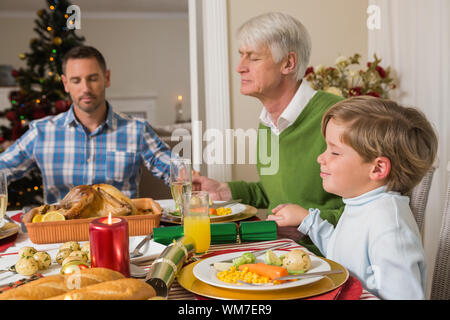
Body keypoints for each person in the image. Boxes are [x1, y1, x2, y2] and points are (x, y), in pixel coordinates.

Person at [192, 12, 344, 256]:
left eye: (253, 58)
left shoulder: (337, 117)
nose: (239, 67)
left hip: (324, 257)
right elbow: (274, 192)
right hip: (277, 250)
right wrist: (223, 190)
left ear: (288, 63)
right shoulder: (267, 121)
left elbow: (366, 209)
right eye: (241, 56)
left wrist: (307, 222)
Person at [267, 96, 438, 299]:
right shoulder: (361, 203)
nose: (320, 158)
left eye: (335, 152)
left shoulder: (389, 225)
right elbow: (340, 252)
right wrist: (308, 220)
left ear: (377, 168)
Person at [0, 46, 172, 204]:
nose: (85, 88)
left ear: (107, 78)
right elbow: (4, 167)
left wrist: (188, 176)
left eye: (93, 78)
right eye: (76, 80)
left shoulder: (137, 129)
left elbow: (172, 167)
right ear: (66, 84)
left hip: (123, 233)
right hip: (60, 234)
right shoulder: (42, 132)